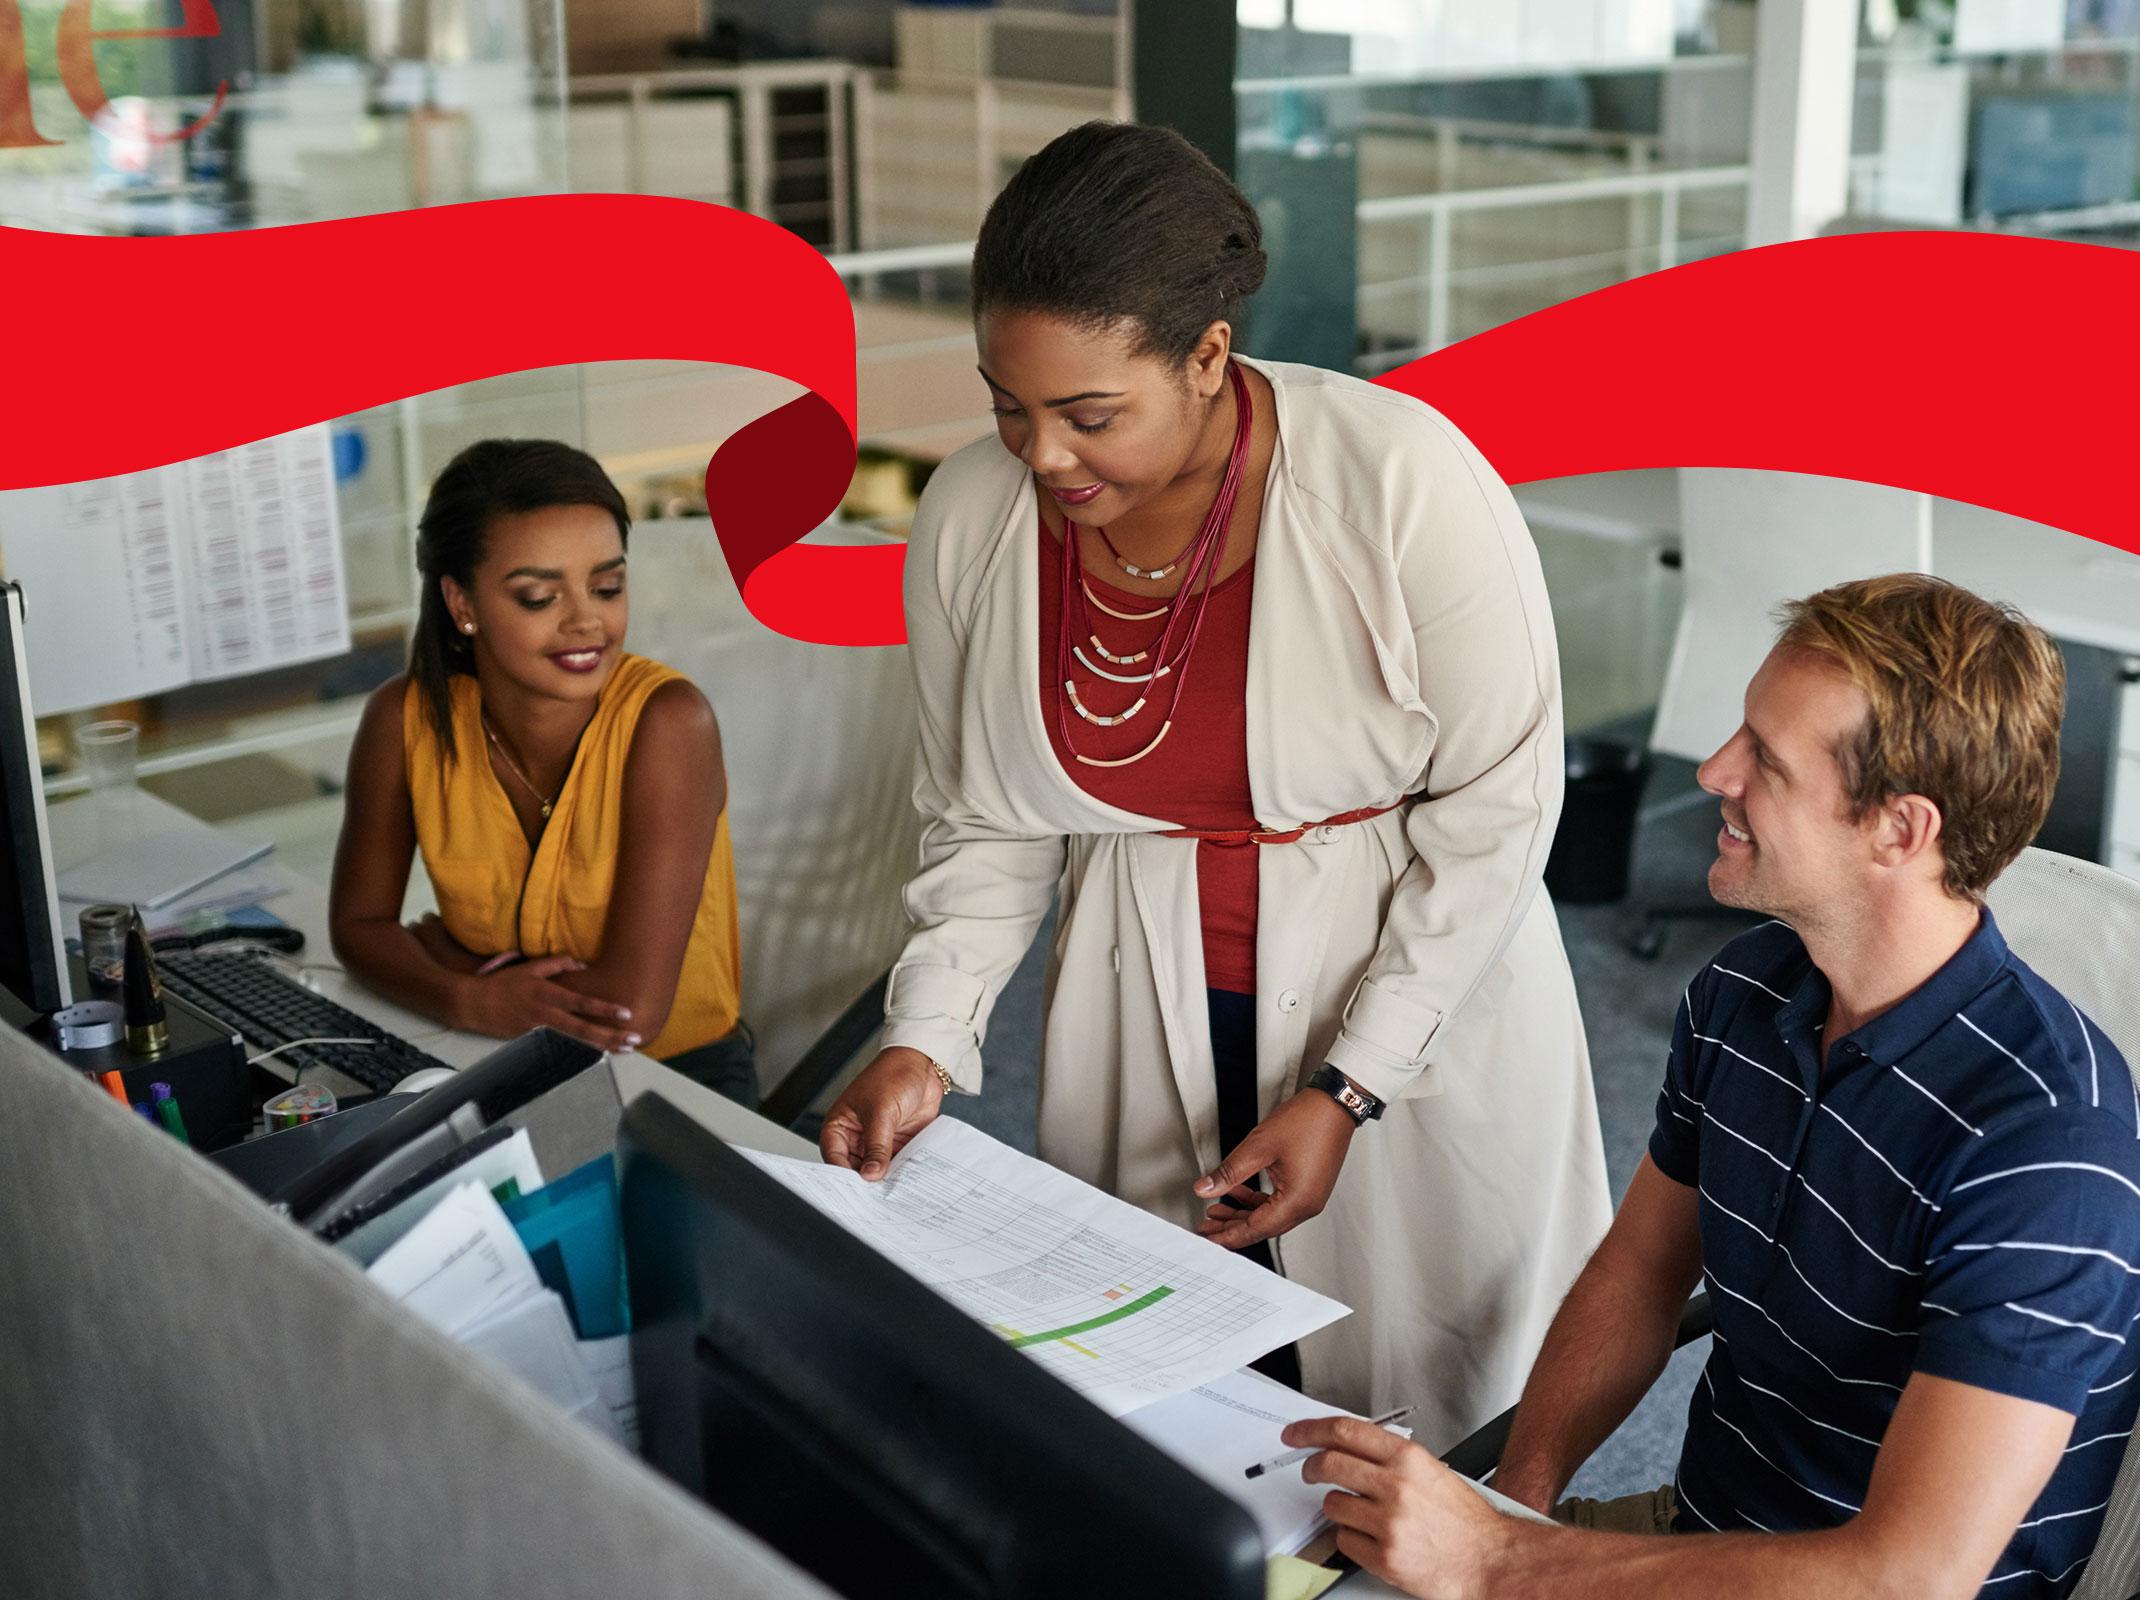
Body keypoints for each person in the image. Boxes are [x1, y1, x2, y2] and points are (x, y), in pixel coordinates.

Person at [818, 120, 1611, 1434]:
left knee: (1432, 1416)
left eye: (1089, 415)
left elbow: (1501, 807)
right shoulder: (972, 520)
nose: (1042, 457)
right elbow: (986, 822)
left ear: (1208, 356)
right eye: (1008, 405)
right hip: (1146, 994)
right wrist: (928, 1038)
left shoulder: (1401, 480)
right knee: (1185, 1403)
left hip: (1413, 982)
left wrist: (1353, 1084)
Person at [1285, 574, 2140, 1598]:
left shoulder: (2046, 1145)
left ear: (1899, 831)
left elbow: (1909, 1575)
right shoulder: (1746, 988)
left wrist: (1500, 1558)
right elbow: (1639, 1271)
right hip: (1698, 1541)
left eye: (1766, 760)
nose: (1712, 769)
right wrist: (1516, 1499)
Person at [328, 438, 756, 1104]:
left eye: (608, 586)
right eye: (538, 597)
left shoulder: (670, 723)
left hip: (673, 1083)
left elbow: (630, 1013)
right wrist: (469, 1000)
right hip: (484, 1057)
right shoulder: (403, 721)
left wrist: (464, 965)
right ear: (462, 604)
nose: (588, 620)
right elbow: (357, 930)